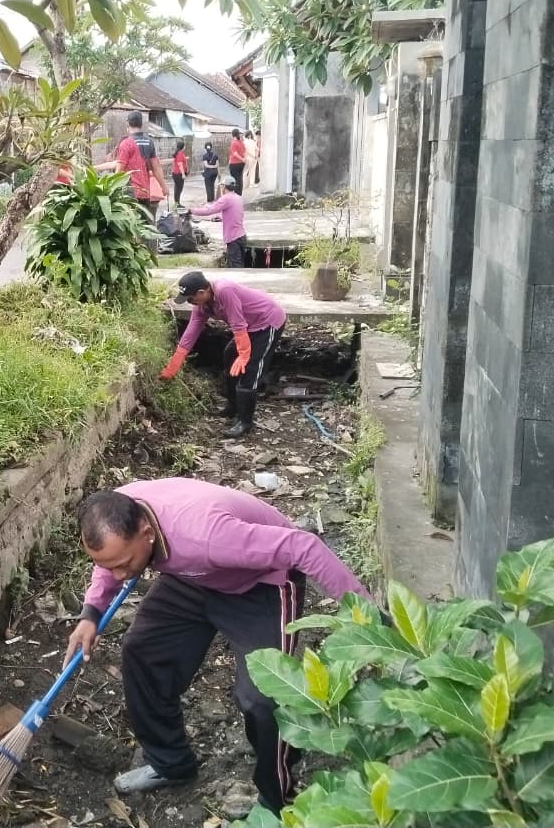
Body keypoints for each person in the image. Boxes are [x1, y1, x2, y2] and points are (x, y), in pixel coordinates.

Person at [64, 478, 370, 814]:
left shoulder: (209, 536)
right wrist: (91, 612)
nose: (120, 575)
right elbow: (108, 561)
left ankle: (277, 798)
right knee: (141, 650)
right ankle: (170, 762)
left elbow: (304, 547)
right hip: (194, 577)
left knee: (263, 697)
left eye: (124, 564)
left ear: (147, 532)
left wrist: (367, 615)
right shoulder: (117, 510)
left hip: (259, 584)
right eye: (111, 566)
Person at [159, 271, 286, 437]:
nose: (190, 303)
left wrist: (244, 355)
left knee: (250, 369)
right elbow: (191, 332)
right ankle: (233, 406)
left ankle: (245, 421)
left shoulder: (224, 291)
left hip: (266, 322)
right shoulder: (202, 305)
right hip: (248, 325)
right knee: (229, 355)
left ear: (201, 292)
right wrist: (173, 365)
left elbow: (237, 324)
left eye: (190, 298)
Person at [113, 111, 168, 221]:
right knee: (145, 226)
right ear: (141, 125)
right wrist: (164, 187)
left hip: (130, 194)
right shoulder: (149, 142)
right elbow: (156, 167)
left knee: (133, 227)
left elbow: (119, 170)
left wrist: (112, 190)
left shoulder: (126, 143)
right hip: (145, 193)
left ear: (127, 125)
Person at [190, 176, 245, 268]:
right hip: (241, 236)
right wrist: (221, 217)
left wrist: (192, 211)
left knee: (236, 267)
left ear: (223, 187)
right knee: (240, 263)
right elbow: (235, 214)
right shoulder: (238, 198)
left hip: (233, 237)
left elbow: (210, 210)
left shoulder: (226, 199)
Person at [170, 140, 189, 209]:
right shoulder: (180, 153)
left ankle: (177, 203)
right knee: (178, 189)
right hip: (178, 174)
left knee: (177, 188)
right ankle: (177, 204)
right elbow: (180, 164)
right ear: (183, 146)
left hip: (176, 173)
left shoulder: (178, 153)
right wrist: (183, 174)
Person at [227, 127, 246, 194]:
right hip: (241, 164)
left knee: (235, 179)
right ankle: (239, 193)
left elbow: (235, 154)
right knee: (239, 178)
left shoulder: (233, 143)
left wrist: (242, 159)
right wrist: (243, 159)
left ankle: (236, 193)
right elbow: (244, 152)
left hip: (234, 163)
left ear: (232, 135)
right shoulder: (241, 142)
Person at [243, 129, 260, 194]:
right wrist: (255, 156)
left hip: (248, 158)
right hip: (254, 158)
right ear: (250, 135)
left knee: (246, 171)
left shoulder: (245, 142)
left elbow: (246, 151)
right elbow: (257, 149)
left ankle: (244, 184)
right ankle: (251, 184)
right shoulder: (253, 141)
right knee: (252, 171)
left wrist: (251, 155)